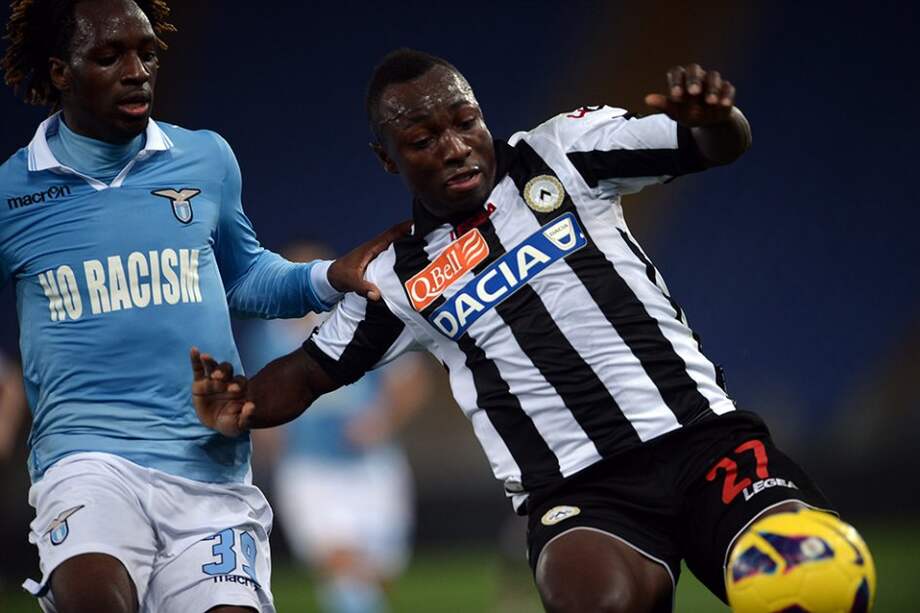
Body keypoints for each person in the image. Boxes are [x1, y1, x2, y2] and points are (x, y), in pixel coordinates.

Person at [192, 49, 853, 613]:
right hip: (584, 497)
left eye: (465, 121)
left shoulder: (562, 150)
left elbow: (711, 144)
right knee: (590, 594)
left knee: (816, 577)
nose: (454, 146)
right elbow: (309, 372)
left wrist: (716, 118)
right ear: (387, 159)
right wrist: (242, 404)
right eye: (422, 140)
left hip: (705, 443)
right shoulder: (397, 276)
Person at [0, 1, 406, 611]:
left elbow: (244, 278)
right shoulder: (13, 191)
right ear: (60, 71)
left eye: (147, 52)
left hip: (207, 462)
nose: (137, 70)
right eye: (110, 55)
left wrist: (327, 278)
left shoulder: (205, 158)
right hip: (86, 458)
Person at [238, 242, 429, 613]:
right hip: (309, 468)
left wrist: (381, 420)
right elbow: (254, 398)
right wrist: (265, 441)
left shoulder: (356, 317)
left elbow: (410, 379)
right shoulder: (267, 336)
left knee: (378, 573)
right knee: (336, 561)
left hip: (372, 464)